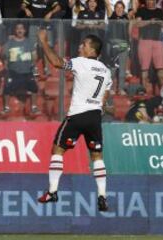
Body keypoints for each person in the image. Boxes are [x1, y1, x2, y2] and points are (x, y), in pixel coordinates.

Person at [37, 30, 112, 212]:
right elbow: (105, 95)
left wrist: (44, 42)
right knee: (97, 156)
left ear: (91, 49)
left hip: (78, 114)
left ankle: (53, 191)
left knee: (58, 150)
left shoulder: (81, 62)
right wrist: (97, 107)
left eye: (83, 45)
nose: (80, 47)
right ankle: (102, 195)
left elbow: (55, 62)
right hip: (94, 116)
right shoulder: (106, 70)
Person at [0, 22, 40, 114]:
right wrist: (6, 45)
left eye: (21, 28)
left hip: (27, 71)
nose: (19, 30)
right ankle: (6, 108)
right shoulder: (10, 42)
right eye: (18, 28)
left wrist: (33, 66)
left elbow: (34, 56)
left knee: (34, 88)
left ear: (25, 31)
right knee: (6, 89)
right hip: (13, 71)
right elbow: (2, 55)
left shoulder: (29, 42)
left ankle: (34, 107)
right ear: (15, 31)